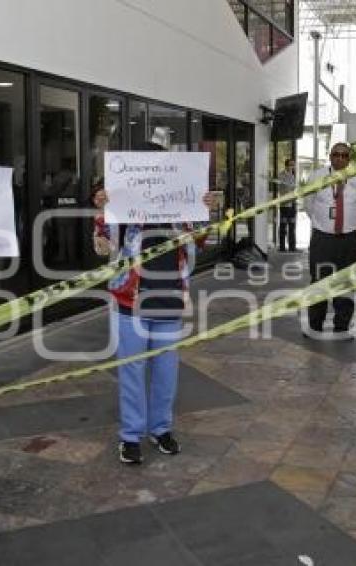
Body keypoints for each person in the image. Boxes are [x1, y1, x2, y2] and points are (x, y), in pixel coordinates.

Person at [92, 145, 215, 465]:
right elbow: (104, 245)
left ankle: (161, 428)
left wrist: (204, 211)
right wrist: (105, 210)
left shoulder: (182, 202)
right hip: (129, 299)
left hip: (169, 299)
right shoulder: (121, 204)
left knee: (166, 370)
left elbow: (201, 239)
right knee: (131, 371)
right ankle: (131, 435)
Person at [303, 143, 356, 339]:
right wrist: (323, 223)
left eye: (344, 155)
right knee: (319, 282)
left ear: (349, 159)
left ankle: (341, 326)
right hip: (322, 240)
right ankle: (314, 326)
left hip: (348, 240)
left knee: (347, 283)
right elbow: (309, 205)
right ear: (330, 156)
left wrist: (349, 223)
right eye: (336, 155)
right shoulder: (317, 176)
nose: (340, 158)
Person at [276, 158, 298, 252]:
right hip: (284, 205)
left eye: (293, 165)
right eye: (290, 165)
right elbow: (282, 189)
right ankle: (282, 247)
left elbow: (293, 190)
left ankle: (292, 247)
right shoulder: (281, 175)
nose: (292, 167)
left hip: (292, 204)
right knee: (283, 226)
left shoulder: (293, 176)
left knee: (292, 226)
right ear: (286, 165)